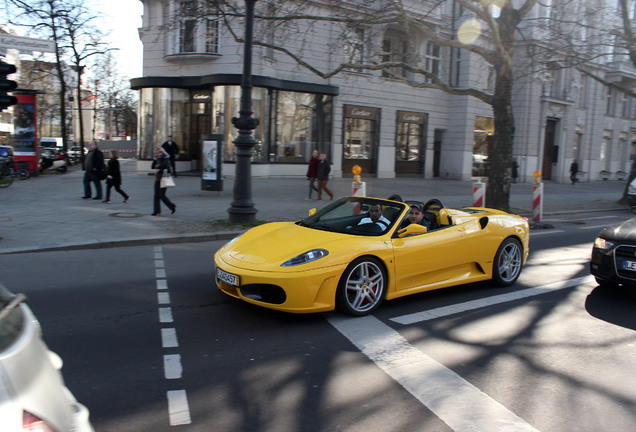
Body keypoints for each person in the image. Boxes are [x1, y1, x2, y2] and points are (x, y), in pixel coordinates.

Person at [151, 147, 176, 216]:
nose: (156, 154)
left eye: (157, 153)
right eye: (155, 153)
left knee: (161, 195)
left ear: (161, 152)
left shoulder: (165, 159)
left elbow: (169, 169)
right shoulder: (158, 159)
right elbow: (152, 167)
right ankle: (156, 211)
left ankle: (172, 206)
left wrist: (160, 170)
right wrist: (154, 160)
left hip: (163, 179)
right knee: (156, 195)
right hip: (157, 179)